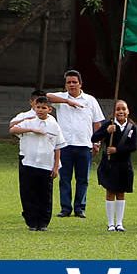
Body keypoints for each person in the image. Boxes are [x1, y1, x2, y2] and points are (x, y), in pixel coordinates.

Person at [45, 70, 105, 219]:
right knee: (64, 178)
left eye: (74, 82)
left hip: (84, 144)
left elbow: (97, 122)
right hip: (65, 145)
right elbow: (46, 97)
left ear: (80, 84)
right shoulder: (61, 98)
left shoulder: (90, 100)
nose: (72, 85)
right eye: (69, 82)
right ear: (65, 85)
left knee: (82, 178)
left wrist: (97, 142)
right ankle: (65, 208)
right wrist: (67, 101)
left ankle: (80, 208)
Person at [10, 96, 65, 231]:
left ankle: (43, 222)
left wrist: (56, 166)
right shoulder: (29, 122)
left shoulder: (54, 125)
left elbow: (58, 147)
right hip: (28, 162)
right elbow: (13, 130)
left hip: (46, 164)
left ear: (49, 109)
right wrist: (31, 130)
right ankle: (31, 221)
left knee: (45, 193)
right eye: (38, 107)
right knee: (28, 192)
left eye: (43, 108)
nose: (40, 110)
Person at [91, 100, 137, 232]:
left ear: (128, 111)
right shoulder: (109, 125)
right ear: (114, 112)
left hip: (124, 165)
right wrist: (106, 131)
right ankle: (110, 223)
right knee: (110, 191)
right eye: (118, 109)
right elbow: (94, 138)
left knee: (121, 193)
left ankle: (119, 223)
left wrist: (117, 150)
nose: (121, 112)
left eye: (123, 109)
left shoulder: (132, 127)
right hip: (109, 165)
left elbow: (133, 146)